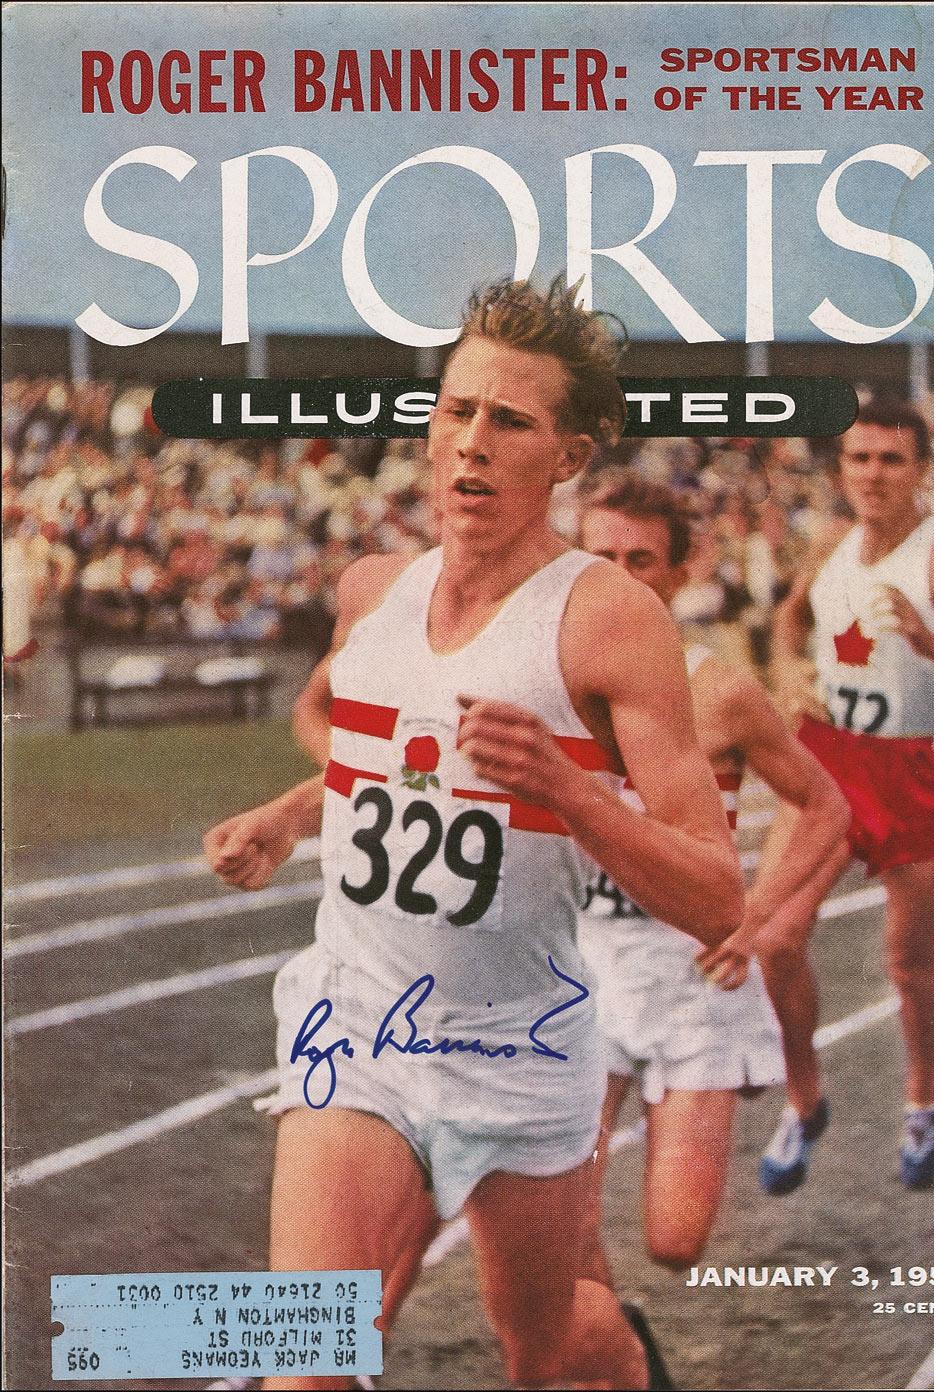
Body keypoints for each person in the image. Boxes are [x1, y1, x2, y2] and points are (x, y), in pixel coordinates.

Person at [204, 278, 744, 1392]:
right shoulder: (373, 592)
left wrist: (570, 789)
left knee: (542, 1356)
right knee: (301, 1361)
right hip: (359, 1026)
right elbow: (372, 752)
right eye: (457, 410)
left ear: (569, 457)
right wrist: (291, 814)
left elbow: (714, 895)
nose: (472, 443)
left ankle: (626, 1361)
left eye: (510, 421)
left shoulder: (608, 619)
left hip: (520, 1048)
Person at [573, 471, 850, 1299]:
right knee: (560, 1224)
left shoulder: (720, 692)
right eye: (601, 557)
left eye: (641, 559)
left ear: (681, 569)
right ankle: (614, 1354)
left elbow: (824, 805)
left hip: (694, 974)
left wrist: (755, 919)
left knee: (675, 1241)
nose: (620, 577)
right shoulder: (547, 677)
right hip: (577, 969)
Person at [767, 397, 934, 1193]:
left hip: (915, 771)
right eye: (860, 459)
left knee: (910, 960)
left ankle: (923, 1100)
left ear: (922, 470)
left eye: (892, 460)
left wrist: (930, 640)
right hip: (830, 766)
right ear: (840, 469)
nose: (873, 474)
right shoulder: (832, 540)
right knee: (775, 938)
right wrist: (788, 671)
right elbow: (788, 620)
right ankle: (804, 1101)